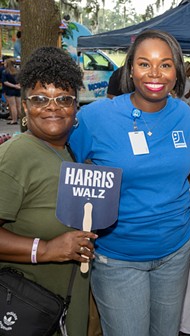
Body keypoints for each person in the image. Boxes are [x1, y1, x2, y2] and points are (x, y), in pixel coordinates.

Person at [69, 29, 190, 336]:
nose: (155, 73)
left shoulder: (184, 114)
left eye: (165, 64)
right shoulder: (97, 116)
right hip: (117, 256)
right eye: (145, 64)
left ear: (177, 71)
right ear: (130, 69)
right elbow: (64, 167)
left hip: (175, 250)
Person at [0, 46, 97, 335]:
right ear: (26, 106)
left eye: (64, 98)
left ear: (76, 106)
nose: (52, 106)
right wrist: (45, 249)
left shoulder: (66, 151)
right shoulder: (16, 154)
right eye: (40, 98)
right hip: (27, 310)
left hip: (61, 309)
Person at [2, 57, 21, 124]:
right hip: (18, 90)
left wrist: (14, 86)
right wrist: (18, 85)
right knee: (19, 105)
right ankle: (22, 119)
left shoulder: (5, 72)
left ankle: (14, 120)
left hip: (10, 90)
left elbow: (5, 82)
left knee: (12, 105)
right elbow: (20, 80)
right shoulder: (17, 71)